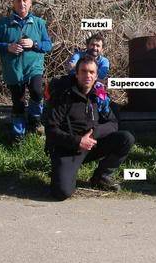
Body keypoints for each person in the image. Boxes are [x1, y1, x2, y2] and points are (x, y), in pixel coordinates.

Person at [44, 56, 135, 199]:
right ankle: (61, 171)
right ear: (77, 73)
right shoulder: (64, 97)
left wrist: (93, 134)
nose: (88, 75)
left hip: (91, 145)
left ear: (96, 75)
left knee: (126, 138)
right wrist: (78, 141)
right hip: (68, 148)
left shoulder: (99, 95)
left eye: (92, 72)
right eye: (84, 71)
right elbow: (50, 130)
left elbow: (113, 123)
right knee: (62, 193)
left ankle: (101, 177)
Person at [0, 0, 53, 142]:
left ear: (30, 3)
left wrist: (34, 43)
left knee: (37, 92)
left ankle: (34, 120)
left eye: (25, 0)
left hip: (34, 68)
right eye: (18, 0)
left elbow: (48, 45)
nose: (21, 3)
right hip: (13, 70)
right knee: (18, 101)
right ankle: (18, 134)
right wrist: (7, 47)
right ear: (13, 3)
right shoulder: (3, 24)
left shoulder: (38, 23)